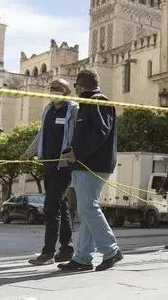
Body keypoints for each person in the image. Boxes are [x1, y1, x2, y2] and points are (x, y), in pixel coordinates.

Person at [57, 69, 122, 272]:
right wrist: (73, 150)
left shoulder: (98, 102)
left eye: (75, 86)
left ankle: (111, 250)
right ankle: (83, 258)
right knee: (86, 210)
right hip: (86, 163)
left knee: (87, 208)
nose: (74, 90)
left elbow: (100, 133)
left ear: (80, 86)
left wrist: (79, 152)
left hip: (92, 165)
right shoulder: (88, 104)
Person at [21, 79, 79, 265]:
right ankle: (66, 250)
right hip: (47, 164)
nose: (54, 91)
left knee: (51, 206)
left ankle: (48, 252)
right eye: (52, 88)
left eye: (58, 88)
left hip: (63, 165)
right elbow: (41, 134)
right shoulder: (47, 110)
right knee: (60, 206)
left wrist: (74, 153)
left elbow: (78, 134)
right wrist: (28, 152)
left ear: (67, 92)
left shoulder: (73, 109)